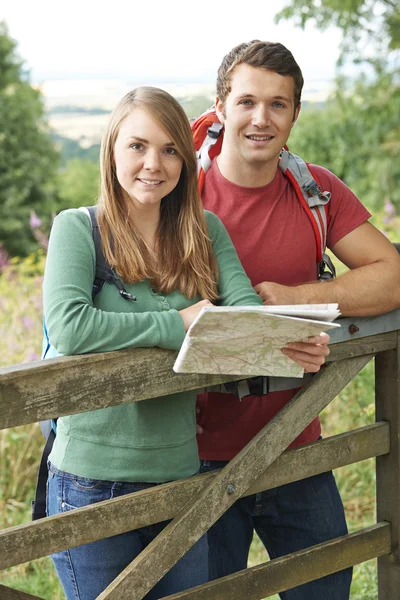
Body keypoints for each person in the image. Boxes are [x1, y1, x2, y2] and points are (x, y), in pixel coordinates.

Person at [43, 85, 330, 600]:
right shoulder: (77, 229)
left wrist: (288, 342)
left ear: (185, 157)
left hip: (181, 473)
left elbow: (242, 315)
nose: (154, 163)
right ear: (111, 150)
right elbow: (71, 328)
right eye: (137, 146)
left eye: (170, 149)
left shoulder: (205, 231)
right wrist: (180, 322)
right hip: (91, 480)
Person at [196, 40, 400, 600]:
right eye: (247, 102)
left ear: (295, 114)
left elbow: (391, 275)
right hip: (195, 455)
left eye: (278, 105)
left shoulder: (315, 190)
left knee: (327, 590)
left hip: (295, 441)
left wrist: (296, 299)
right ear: (220, 107)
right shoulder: (180, 195)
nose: (261, 119)